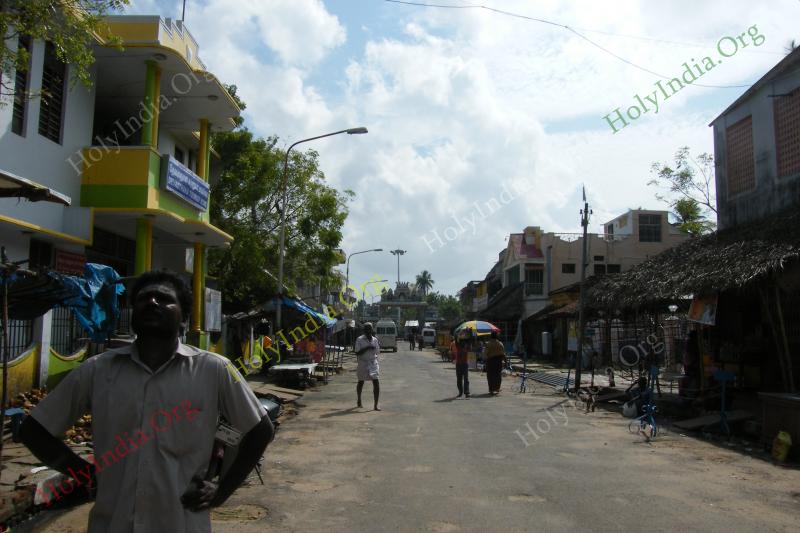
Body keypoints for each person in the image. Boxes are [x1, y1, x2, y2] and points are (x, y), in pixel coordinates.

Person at [20, 270, 274, 532]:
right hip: (112, 525)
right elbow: (33, 430)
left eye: (164, 299)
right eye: (144, 298)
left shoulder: (215, 369)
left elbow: (261, 429)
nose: (152, 303)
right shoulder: (97, 370)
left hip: (182, 524)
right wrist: (84, 474)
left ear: (184, 318)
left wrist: (222, 490)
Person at [355, 322, 381, 410]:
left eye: (370, 329)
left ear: (372, 329)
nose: (368, 330)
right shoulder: (359, 339)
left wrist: (373, 349)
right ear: (364, 330)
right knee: (361, 381)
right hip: (363, 362)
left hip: (373, 363)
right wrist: (367, 348)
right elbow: (357, 352)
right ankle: (359, 399)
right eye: (366, 329)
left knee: (376, 382)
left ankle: (375, 405)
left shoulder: (375, 339)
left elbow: (377, 351)